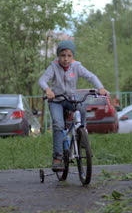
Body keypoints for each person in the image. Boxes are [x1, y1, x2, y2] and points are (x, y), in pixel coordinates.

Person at [38, 40, 108, 171]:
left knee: (82, 107)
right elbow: (42, 80)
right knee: (58, 125)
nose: (66, 59)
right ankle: (57, 158)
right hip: (57, 100)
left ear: (73, 56)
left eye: (69, 56)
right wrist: (48, 90)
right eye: (63, 55)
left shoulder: (76, 66)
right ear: (58, 55)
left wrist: (100, 88)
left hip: (71, 99)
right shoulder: (53, 66)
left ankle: (82, 135)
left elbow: (91, 76)